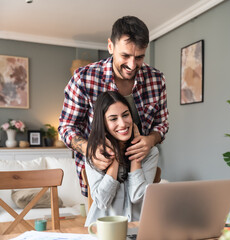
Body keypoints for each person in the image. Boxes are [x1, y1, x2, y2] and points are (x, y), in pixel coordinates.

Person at [58, 16, 169, 196]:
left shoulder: (156, 79)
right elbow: (66, 128)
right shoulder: (84, 78)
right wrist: (90, 149)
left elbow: (161, 124)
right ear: (110, 46)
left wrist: (150, 140)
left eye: (139, 57)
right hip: (101, 175)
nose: (132, 65)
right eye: (125, 55)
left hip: (140, 174)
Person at [84, 91, 159, 226]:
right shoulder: (95, 154)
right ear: (103, 124)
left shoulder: (151, 153)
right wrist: (115, 159)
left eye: (125, 115)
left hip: (137, 230)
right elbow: (102, 201)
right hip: (102, 231)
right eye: (113, 119)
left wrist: (135, 154)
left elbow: (138, 197)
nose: (123, 124)